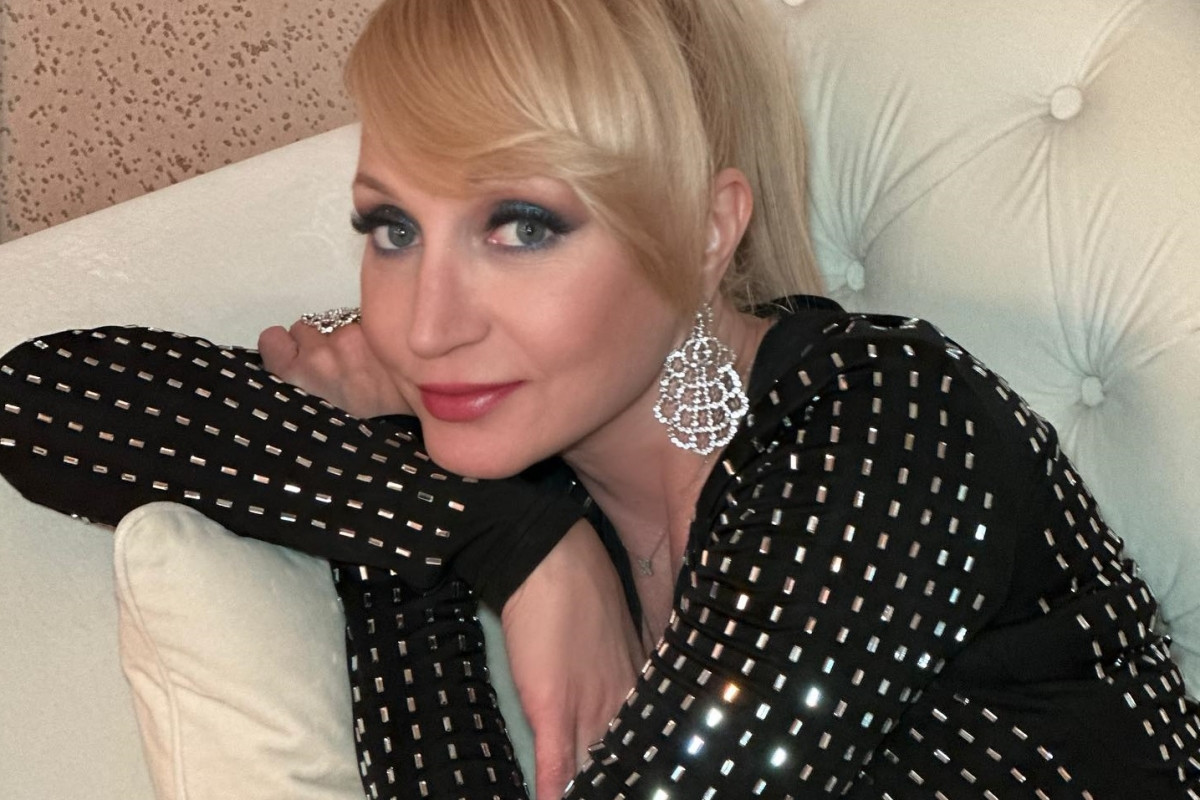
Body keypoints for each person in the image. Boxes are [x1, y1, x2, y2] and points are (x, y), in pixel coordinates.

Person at [0, 0, 1197, 798]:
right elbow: (41, 399)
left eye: (521, 225)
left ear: (705, 229)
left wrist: (431, 505)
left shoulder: (884, 425)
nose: (426, 322)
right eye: (393, 228)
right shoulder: (544, 451)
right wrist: (498, 537)